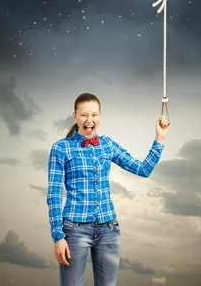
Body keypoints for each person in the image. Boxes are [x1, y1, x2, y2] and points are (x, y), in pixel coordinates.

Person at [46, 92, 170, 285]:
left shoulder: (107, 145)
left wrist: (159, 138)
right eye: (84, 115)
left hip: (109, 230)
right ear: (75, 116)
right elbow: (53, 194)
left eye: (94, 115)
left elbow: (143, 169)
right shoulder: (61, 148)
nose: (89, 120)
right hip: (75, 230)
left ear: (100, 116)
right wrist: (58, 236)